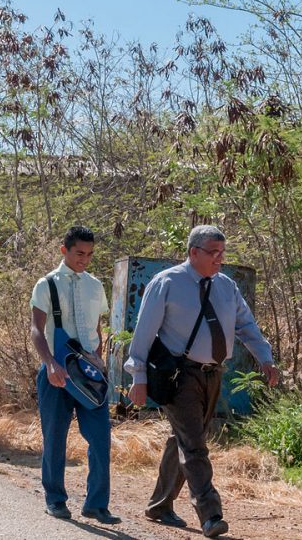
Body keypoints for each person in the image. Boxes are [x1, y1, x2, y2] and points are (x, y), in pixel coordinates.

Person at [124, 225, 280, 538]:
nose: (219, 259)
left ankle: (159, 505)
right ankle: (210, 515)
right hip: (179, 375)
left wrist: (265, 358)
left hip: (213, 375)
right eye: (213, 252)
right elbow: (144, 333)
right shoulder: (166, 282)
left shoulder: (226, 286)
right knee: (194, 445)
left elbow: (246, 325)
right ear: (194, 252)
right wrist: (137, 377)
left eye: (222, 253)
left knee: (184, 439)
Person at [30, 226, 120, 524]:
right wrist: (50, 364)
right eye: (79, 253)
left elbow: (96, 328)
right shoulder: (46, 285)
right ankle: (55, 499)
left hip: (90, 374)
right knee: (54, 437)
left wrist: (101, 360)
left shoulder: (95, 285)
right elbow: (36, 330)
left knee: (100, 439)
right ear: (64, 250)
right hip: (56, 373)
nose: (85, 259)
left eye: (90, 254)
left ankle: (96, 504)